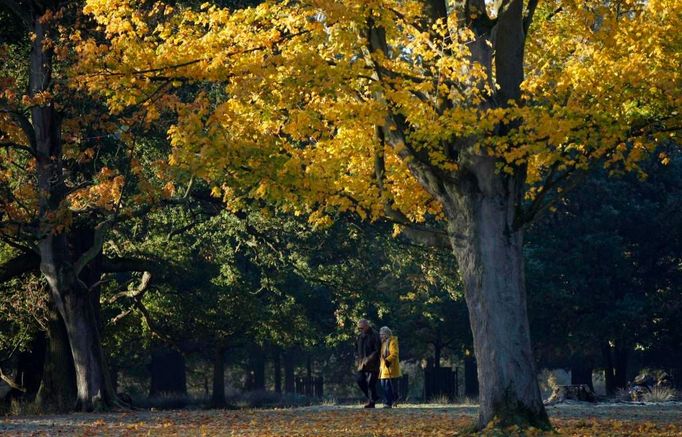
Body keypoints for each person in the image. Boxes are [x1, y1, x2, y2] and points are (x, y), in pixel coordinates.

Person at [354, 319, 381, 408]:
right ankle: (373, 397)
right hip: (362, 363)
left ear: (367, 326)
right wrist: (357, 359)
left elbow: (377, 350)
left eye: (362, 328)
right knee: (360, 380)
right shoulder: (360, 336)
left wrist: (369, 359)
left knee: (371, 383)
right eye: (359, 328)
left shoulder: (375, 335)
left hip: (373, 363)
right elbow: (357, 349)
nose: (360, 330)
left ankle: (372, 401)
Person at [379, 326, 401, 408]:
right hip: (383, 370)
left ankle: (388, 403)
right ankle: (389, 401)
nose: (381, 336)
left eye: (382, 334)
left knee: (388, 387)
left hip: (390, 369)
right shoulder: (383, 343)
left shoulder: (392, 341)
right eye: (380, 334)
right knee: (384, 387)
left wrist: (388, 360)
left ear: (387, 334)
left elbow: (394, 353)